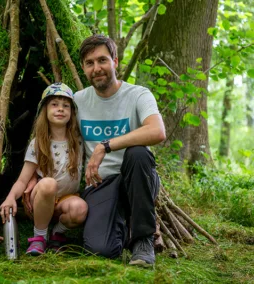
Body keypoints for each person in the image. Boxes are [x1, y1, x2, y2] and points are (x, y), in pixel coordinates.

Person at [74, 34, 166, 267]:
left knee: (137, 153)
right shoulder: (78, 101)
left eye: (102, 60)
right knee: (101, 249)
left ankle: (143, 241)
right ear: (84, 68)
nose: (97, 68)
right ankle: (123, 229)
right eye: (90, 63)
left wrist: (106, 145)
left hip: (135, 181)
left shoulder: (137, 95)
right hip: (99, 185)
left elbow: (157, 131)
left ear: (115, 62)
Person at [0, 82, 87, 256]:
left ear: (72, 112)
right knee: (48, 184)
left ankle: (57, 233)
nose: (60, 109)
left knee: (81, 209)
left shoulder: (78, 140)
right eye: (54, 105)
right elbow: (23, 180)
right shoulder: (38, 144)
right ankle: (39, 237)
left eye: (66, 106)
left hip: (65, 201)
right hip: (41, 200)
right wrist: (10, 197)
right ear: (45, 111)